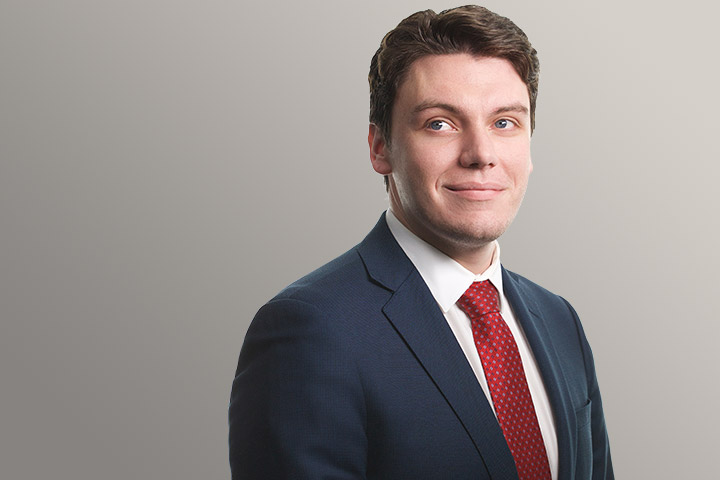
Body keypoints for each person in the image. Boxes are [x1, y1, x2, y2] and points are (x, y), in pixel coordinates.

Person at [229, 5, 613, 479]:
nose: (481, 155)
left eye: (504, 123)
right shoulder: (312, 331)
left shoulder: (558, 320)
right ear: (381, 147)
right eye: (440, 123)